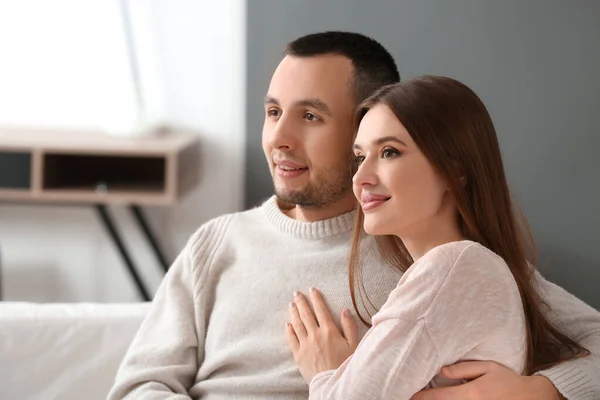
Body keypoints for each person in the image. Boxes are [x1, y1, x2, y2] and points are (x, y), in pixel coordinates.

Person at [109, 32, 600, 400]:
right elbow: (140, 384)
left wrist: (540, 390)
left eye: (311, 116)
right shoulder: (217, 243)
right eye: (273, 111)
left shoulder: (429, 252)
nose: (279, 137)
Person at [284, 76, 590, 399]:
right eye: (360, 157)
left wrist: (326, 373)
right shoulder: (469, 268)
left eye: (389, 152)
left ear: (454, 174)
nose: (360, 177)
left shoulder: (455, 268)